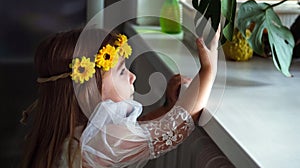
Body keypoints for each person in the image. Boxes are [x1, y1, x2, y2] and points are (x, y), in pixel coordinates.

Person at [20, 26, 219, 168]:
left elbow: (136, 129)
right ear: (89, 88)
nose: (133, 77)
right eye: (122, 71)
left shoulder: (70, 134)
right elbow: (175, 128)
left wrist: (167, 108)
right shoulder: (99, 142)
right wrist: (208, 71)